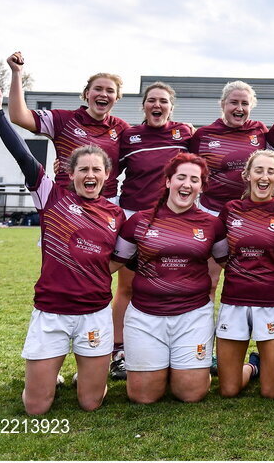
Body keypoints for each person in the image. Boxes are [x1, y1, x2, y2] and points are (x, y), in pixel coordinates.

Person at [0, 87, 125, 415]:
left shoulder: (116, 215)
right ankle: (53, 373)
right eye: (83, 169)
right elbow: (22, 155)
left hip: (94, 314)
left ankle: (85, 374)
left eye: (96, 170)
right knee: (35, 408)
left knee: (91, 403)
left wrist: (93, 269)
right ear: (70, 173)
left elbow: (119, 259)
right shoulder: (50, 197)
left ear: (107, 175)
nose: (90, 175)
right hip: (52, 313)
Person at [109, 153, 227, 404]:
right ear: (167, 182)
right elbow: (114, 263)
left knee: (190, 394)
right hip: (145, 315)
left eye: (194, 180)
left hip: (192, 315)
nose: (186, 184)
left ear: (202, 187)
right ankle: (166, 363)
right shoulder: (138, 222)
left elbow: (229, 262)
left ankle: (186, 366)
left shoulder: (212, 225)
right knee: (143, 396)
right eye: (181, 177)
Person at [110, 81, 195, 381]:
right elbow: (107, 173)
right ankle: (118, 352)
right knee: (128, 287)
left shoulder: (185, 133)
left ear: (172, 107)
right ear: (143, 105)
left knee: (175, 283)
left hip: (175, 219)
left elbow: (199, 168)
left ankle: (181, 348)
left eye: (163, 101)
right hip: (135, 217)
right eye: (151, 100)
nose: (157, 105)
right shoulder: (130, 136)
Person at [215, 150, 274, 399]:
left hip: (272, 303)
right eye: (258, 170)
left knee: (270, 392)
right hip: (234, 301)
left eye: (270, 171)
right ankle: (253, 367)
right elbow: (219, 253)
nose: (264, 176)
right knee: (228, 390)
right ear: (247, 175)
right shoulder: (231, 209)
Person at [5, 52, 129, 200]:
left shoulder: (122, 128)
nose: (103, 94)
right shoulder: (63, 119)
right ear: (87, 93)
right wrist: (17, 73)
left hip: (106, 206)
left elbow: (140, 159)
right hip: (67, 202)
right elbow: (19, 116)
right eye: (98, 89)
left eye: (110, 91)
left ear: (116, 98)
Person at [189, 81, 269, 307]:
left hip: (248, 215)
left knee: (251, 278)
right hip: (212, 212)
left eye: (245, 103)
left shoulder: (260, 131)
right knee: (210, 281)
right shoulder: (203, 135)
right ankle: (203, 338)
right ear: (223, 104)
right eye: (234, 102)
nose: (239, 108)